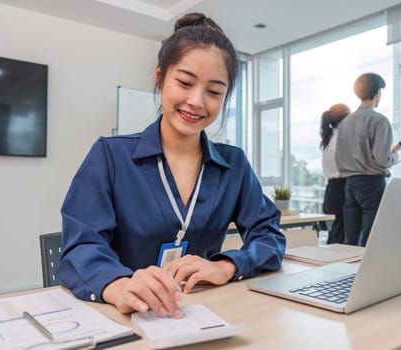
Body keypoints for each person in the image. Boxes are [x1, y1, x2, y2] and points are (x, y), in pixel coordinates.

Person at [58, 12, 286, 319]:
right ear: (160, 76)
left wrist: (226, 266)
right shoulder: (109, 156)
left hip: (204, 314)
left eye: (214, 92)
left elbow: (269, 235)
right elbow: (81, 247)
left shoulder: (234, 165)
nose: (196, 101)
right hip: (125, 316)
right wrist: (119, 286)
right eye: (185, 82)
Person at [335, 73, 401, 246]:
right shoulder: (379, 121)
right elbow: (382, 159)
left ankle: (349, 272)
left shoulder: (346, 122)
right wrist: (394, 155)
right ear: (377, 94)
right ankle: (368, 273)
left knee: (351, 239)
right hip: (372, 184)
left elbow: (339, 157)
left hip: (350, 184)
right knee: (371, 239)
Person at [320, 103, 350, 244]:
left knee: (335, 235)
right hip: (341, 189)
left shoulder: (329, 138)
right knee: (340, 236)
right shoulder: (340, 140)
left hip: (332, 189)